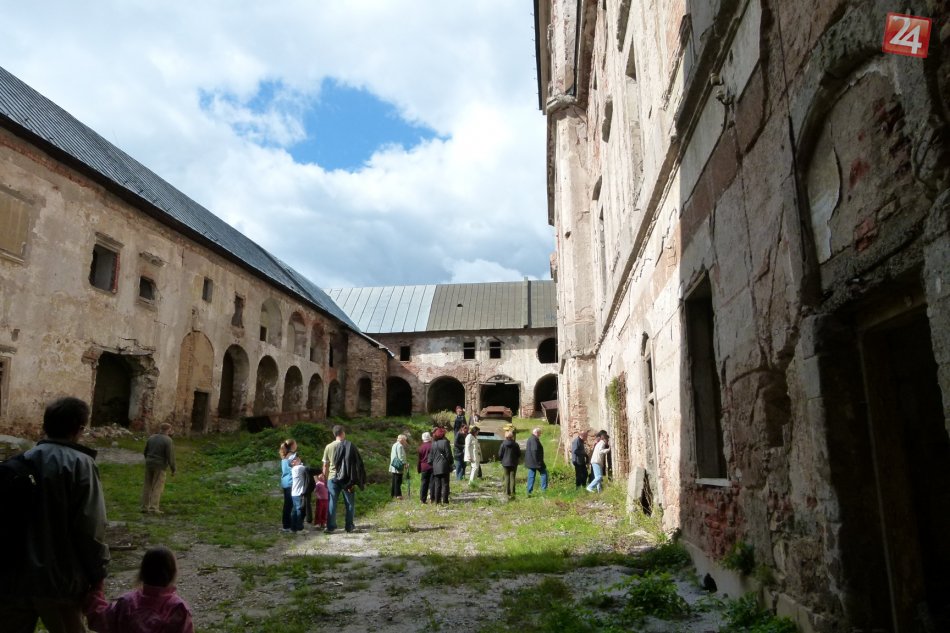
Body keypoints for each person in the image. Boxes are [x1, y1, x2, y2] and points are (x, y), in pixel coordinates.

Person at [0, 397, 110, 633]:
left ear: (45, 425)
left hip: (13, 577)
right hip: (59, 579)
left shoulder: (21, 461)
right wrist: (98, 573)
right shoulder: (81, 465)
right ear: (79, 429)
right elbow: (91, 527)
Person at [84, 546, 193, 633]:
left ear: (142, 573)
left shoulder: (126, 603)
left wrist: (97, 588)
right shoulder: (178, 609)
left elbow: (98, 619)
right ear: (173, 574)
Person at [322, 425, 366, 533]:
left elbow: (325, 465)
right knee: (349, 502)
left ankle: (331, 527)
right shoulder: (350, 446)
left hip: (332, 478)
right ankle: (349, 526)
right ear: (342, 433)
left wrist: (325, 478)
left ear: (334, 434)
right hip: (347, 479)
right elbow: (357, 464)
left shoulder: (328, 447)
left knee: (332, 502)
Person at [141, 423, 176, 514]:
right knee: (157, 486)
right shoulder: (168, 440)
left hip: (149, 463)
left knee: (147, 485)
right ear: (169, 430)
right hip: (160, 465)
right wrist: (173, 469)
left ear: (160, 429)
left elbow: (145, 452)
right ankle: (154, 507)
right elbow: (170, 456)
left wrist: (149, 460)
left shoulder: (151, 438)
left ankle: (144, 507)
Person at [427, 426, 453, 504]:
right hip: (444, 466)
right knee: (445, 484)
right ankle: (445, 501)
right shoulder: (445, 442)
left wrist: (434, 464)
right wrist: (451, 463)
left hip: (435, 467)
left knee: (437, 485)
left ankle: (437, 501)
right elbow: (448, 455)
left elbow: (430, 457)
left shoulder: (433, 444)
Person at [278, 439, 297, 532]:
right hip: (291, 482)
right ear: (292, 446)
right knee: (293, 505)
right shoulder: (293, 456)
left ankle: (286, 525)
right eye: (295, 443)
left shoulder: (284, 457)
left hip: (285, 482)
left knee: (287, 505)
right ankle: (292, 526)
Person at [497, 429, 521, 499]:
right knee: (512, 477)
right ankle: (513, 492)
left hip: (505, 463)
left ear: (506, 437)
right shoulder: (516, 444)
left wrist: (502, 459)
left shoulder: (503, 444)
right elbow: (519, 454)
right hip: (514, 463)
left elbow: (500, 454)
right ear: (512, 437)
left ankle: (507, 492)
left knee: (506, 477)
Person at [525, 427, 548, 494]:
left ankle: (529, 491)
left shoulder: (531, 438)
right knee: (544, 473)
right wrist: (538, 462)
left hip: (531, 462)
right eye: (540, 433)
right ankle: (544, 490)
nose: (540, 435)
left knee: (531, 476)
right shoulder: (534, 440)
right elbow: (534, 451)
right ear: (537, 433)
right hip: (535, 461)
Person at [289, 455, 308, 532]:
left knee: (294, 511)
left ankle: (293, 528)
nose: (297, 458)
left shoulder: (294, 468)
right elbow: (308, 469)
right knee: (299, 510)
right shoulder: (298, 468)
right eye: (295, 459)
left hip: (294, 493)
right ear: (292, 463)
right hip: (298, 493)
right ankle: (300, 528)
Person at [389, 434, 408, 499]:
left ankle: (393, 494)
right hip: (398, 465)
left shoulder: (394, 445)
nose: (405, 441)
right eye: (405, 440)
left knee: (394, 480)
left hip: (393, 465)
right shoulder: (400, 446)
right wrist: (405, 464)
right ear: (402, 440)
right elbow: (401, 456)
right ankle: (398, 495)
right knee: (398, 480)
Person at [417, 431, 434, 503]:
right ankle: (432, 498)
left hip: (424, 467)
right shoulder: (432, 446)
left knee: (424, 483)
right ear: (429, 438)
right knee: (432, 482)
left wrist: (419, 468)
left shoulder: (420, 447)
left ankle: (422, 499)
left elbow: (419, 459)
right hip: (432, 466)